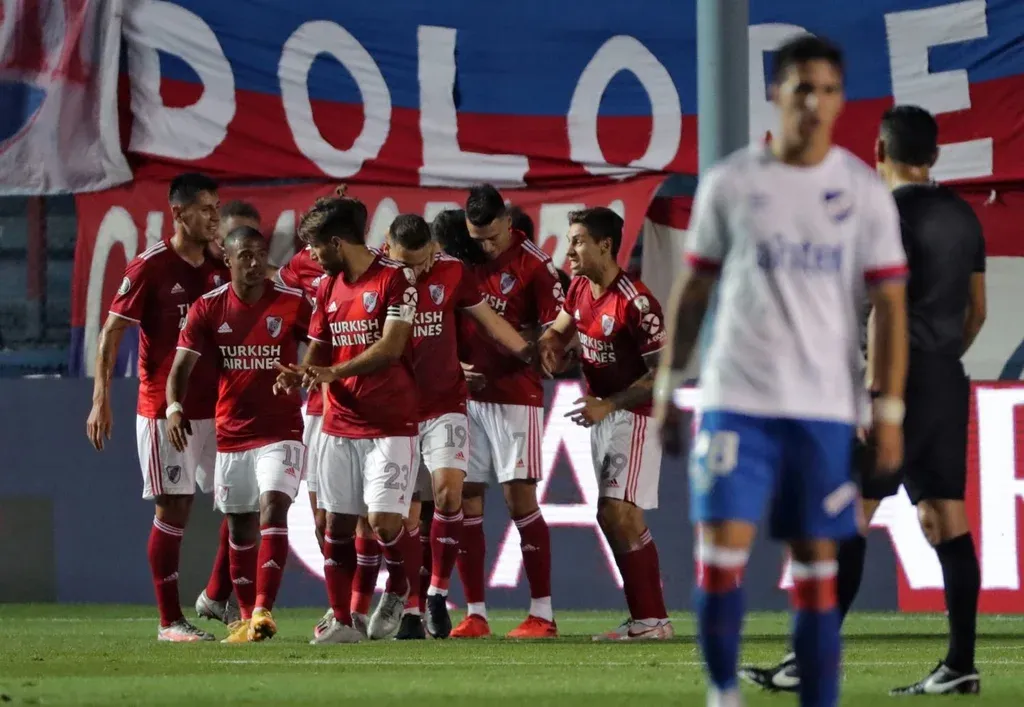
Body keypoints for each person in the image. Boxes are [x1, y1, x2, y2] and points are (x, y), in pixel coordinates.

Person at [652, 35, 909, 707]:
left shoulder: (863, 193)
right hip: (737, 399)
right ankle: (723, 693)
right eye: (802, 89)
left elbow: (890, 305)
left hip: (824, 408)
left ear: (841, 99)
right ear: (776, 93)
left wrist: (888, 413)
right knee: (721, 553)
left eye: (828, 90)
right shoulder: (733, 183)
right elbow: (693, 291)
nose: (814, 103)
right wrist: (668, 386)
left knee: (818, 566)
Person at [745, 105, 987, 697]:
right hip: (945, 378)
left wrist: (881, 394)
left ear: (879, 152)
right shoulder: (964, 214)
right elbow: (976, 311)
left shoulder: (881, 213)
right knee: (944, 518)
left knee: (844, 515)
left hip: (896, 382)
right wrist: (936, 362)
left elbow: (883, 307)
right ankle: (960, 664)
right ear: (934, 156)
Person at [86, 172, 237, 641]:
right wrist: (100, 399)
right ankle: (170, 622)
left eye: (217, 208)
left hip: (221, 406)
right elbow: (112, 332)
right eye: (205, 209)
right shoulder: (150, 267)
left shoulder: (222, 266)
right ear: (179, 213)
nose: (214, 217)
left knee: (245, 502)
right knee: (175, 507)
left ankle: (216, 594)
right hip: (165, 411)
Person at [275, 197, 420, 644]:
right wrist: (301, 373)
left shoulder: (397, 279)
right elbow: (319, 344)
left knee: (383, 523)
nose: (312, 256)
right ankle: (341, 619)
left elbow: (391, 347)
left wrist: (334, 372)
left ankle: (399, 586)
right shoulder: (325, 287)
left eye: (316, 247)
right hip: (339, 421)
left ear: (337, 242)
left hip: (389, 422)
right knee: (334, 524)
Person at [384, 214, 535, 639]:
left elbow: (488, 318)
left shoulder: (452, 272)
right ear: (388, 247)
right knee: (405, 515)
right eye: (405, 263)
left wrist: (526, 351)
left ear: (434, 248)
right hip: (396, 410)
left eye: (422, 261)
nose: (415, 271)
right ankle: (409, 605)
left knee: (449, 493)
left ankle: (436, 592)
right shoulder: (378, 277)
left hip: (445, 405)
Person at [166, 226, 310, 643]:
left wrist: (310, 371)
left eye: (260, 254)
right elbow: (180, 368)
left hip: (281, 429)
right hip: (232, 433)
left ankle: (263, 607)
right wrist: (174, 408)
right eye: (244, 255)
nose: (254, 263)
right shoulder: (209, 307)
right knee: (240, 526)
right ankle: (248, 619)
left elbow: (324, 342)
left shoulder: (291, 302)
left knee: (273, 507)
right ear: (227, 260)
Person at [538, 207, 672, 641]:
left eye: (577, 241)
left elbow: (661, 374)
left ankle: (652, 620)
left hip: (634, 414)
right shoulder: (578, 287)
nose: (569, 251)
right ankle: (648, 618)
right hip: (603, 413)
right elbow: (558, 331)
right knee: (614, 516)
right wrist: (551, 347)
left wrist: (609, 404)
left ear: (605, 245)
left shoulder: (637, 303)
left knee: (618, 512)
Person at [450, 184, 564, 640]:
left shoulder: (534, 264)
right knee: (467, 499)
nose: (485, 246)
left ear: (507, 221)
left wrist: (547, 346)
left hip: (516, 395)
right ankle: (475, 613)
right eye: (477, 238)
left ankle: (543, 613)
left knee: (520, 500)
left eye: (492, 236)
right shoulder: (462, 256)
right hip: (467, 397)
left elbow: (559, 322)